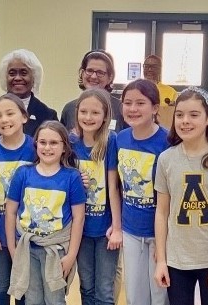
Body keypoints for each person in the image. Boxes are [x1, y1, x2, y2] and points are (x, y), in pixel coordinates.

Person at [153, 87, 208, 305]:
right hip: (177, 260)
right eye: (180, 115)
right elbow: (162, 212)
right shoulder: (166, 159)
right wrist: (162, 260)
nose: (185, 121)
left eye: (194, 115)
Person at [5, 121, 87, 305]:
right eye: (42, 142)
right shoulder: (23, 173)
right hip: (27, 248)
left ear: (64, 147)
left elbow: (79, 218)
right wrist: (12, 248)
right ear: (36, 145)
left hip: (56, 251)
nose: (47, 147)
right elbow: (10, 212)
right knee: (32, 299)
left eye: (53, 143)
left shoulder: (72, 177)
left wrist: (71, 254)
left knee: (55, 300)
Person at [0, 93, 35, 305]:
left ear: (24, 117)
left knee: (23, 286)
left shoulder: (36, 149)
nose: (4, 120)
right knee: (0, 284)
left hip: (26, 234)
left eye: (10, 113)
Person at [117, 79, 169, 305]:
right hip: (130, 229)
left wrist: (162, 239)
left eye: (140, 103)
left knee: (159, 295)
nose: (133, 109)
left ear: (155, 108)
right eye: (127, 103)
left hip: (159, 233)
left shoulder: (167, 142)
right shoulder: (119, 139)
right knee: (135, 296)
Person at [69, 88, 121, 305]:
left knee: (104, 289)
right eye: (84, 112)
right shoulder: (70, 142)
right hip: (79, 229)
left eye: (95, 113)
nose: (88, 118)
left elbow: (113, 188)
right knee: (86, 285)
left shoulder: (110, 141)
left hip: (104, 230)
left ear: (105, 116)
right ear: (77, 113)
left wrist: (117, 227)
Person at [0, 49, 58, 142]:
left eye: (24, 73)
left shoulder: (47, 115)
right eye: (12, 73)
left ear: (34, 77)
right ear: (5, 77)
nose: (17, 78)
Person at [61, 50, 128, 132]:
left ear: (110, 77)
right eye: (89, 71)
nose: (93, 76)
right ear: (82, 73)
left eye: (100, 72)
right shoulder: (69, 109)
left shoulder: (121, 109)